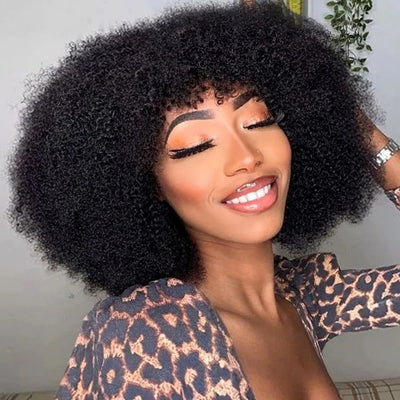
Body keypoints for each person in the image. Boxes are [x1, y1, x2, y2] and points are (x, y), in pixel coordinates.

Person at [7, 1, 400, 399]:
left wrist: (343, 116)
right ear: (147, 184)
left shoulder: (303, 297)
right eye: (195, 146)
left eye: (259, 120)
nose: (247, 156)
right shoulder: (149, 333)